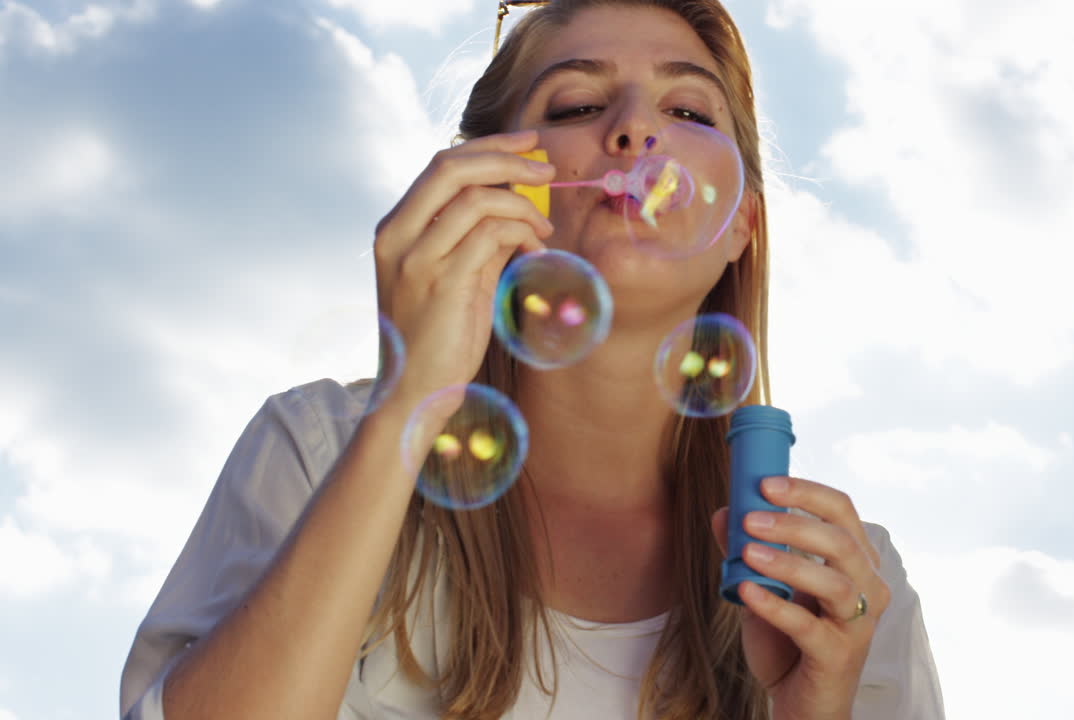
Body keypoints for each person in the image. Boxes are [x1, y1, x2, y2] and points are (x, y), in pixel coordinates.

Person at [119, 1, 945, 718]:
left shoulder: (841, 585)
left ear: (742, 226)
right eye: (578, 102)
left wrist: (815, 712)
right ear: (490, 184)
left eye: (690, 111)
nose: (635, 129)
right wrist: (408, 407)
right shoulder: (322, 449)